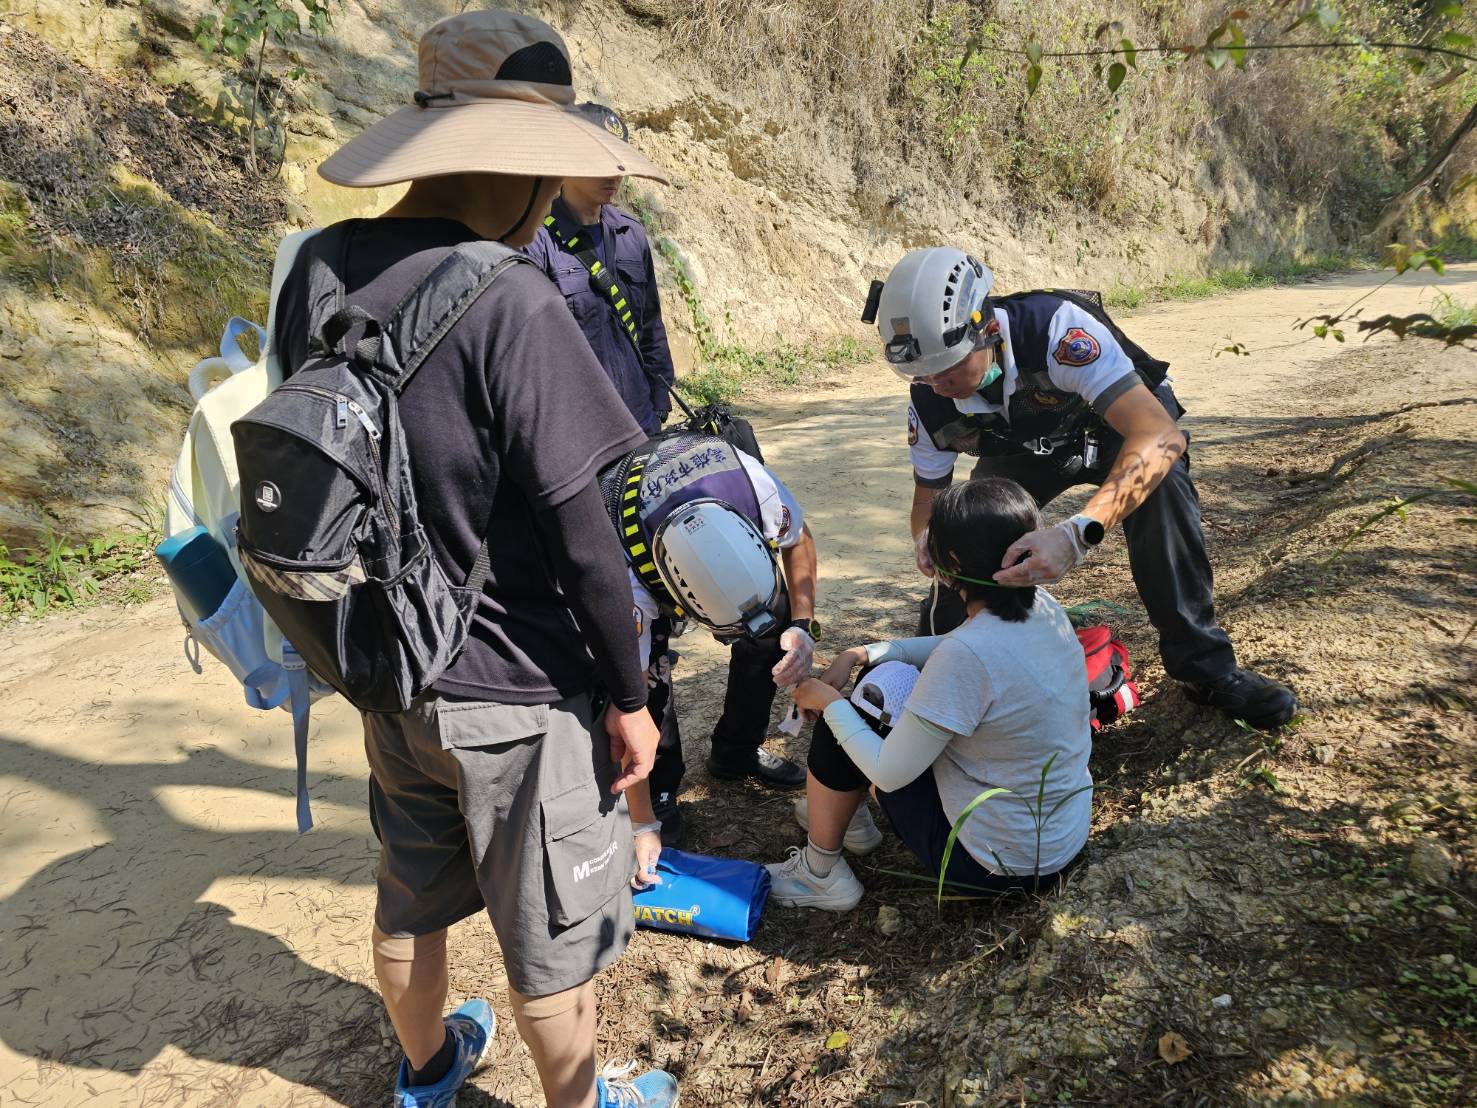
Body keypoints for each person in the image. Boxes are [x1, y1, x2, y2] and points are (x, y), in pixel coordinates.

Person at [273, 12, 677, 1107]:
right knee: (551, 943)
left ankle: (428, 1070)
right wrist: (630, 694)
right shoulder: (510, 300)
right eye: (544, 175)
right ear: (508, 164)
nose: (550, 200)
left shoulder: (316, 268)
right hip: (517, 689)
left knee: (409, 902)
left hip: (387, 667)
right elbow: (586, 533)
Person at [866, 248, 1298, 731]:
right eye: (921, 372)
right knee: (967, 526)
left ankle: (1206, 668)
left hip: (1118, 430)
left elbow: (1160, 437)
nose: (936, 384)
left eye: (948, 367)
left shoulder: (1056, 331)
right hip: (1027, 446)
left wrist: (1077, 534)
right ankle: (951, 659)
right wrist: (929, 539)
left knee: (1162, 486)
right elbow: (928, 499)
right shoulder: (929, 399)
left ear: (985, 329)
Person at [765, 478, 1093, 910]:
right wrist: (861, 652)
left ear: (950, 559)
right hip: (1055, 842)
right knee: (878, 677)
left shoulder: (967, 656)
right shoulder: (1040, 606)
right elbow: (958, 646)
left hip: (991, 867)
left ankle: (820, 872)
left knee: (859, 709)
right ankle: (846, 816)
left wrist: (828, 702)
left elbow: (889, 770)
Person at [599, 430, 819, 856]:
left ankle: (735, 752)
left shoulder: (755, 486)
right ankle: (659, 794)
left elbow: (799, 541)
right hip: (633, 533)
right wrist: (642, 825)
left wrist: (804, 625)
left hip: (695, 484)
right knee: (651, 684)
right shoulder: (627, 580)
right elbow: (630, 702)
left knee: (773, 628)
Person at [523, 106, 675, 436]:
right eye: (599, 158)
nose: (614, 171)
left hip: (640, 418)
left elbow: (650, 323)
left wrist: (659, 400)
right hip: (579, 430)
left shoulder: (631, 233)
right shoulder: (536, 241)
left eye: (618, 158)